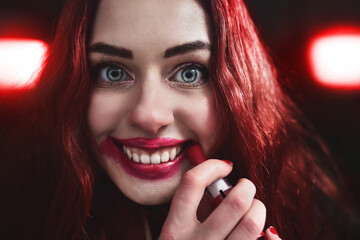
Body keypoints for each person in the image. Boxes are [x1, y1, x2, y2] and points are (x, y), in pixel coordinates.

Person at [0, 0, 357, 239]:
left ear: (239, 83)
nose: (149, 116)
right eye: (112, 72)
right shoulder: (16, 215)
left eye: (189, 73)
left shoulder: (319, 218)